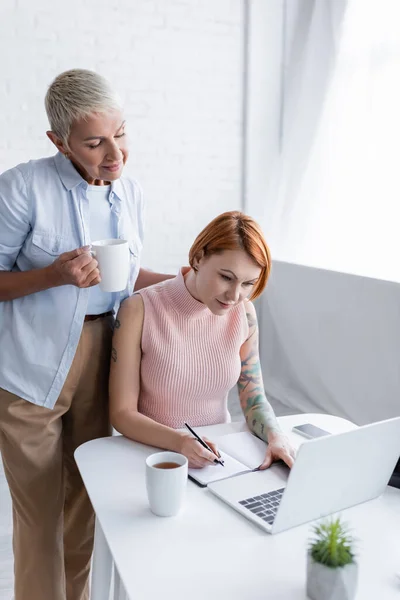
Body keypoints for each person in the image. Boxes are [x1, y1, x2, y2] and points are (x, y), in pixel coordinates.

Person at [0, 69, 172, 600]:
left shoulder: (131, 192)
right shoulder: (22, 186)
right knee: (40, 513)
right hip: (29, 368)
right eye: (95, 142)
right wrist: (54, 274)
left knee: (86, 502)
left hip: (106, 359)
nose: (114, 153)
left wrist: (188, 282)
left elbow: (127, 278)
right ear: (59, 141)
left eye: (120, 134)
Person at [109, 211, 296, 470]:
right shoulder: (139, 310)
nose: (234, 295)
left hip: (216, 458)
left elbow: (254, 399)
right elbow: (122, 414)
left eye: (248, 283)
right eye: (226, 277)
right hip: (152, 456)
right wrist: (180, 441)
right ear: (198, 258)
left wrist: (277, 437)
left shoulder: (245, 314)